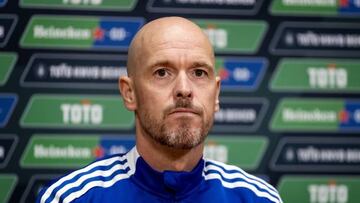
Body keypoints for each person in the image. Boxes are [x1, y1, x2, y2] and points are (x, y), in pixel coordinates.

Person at [37, 17, 282, 203]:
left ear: (216, 93)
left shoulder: (258, 198)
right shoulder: (71, 198)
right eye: (162, 72)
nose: (184, 89)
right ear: (129, 93)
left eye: (199, 73)